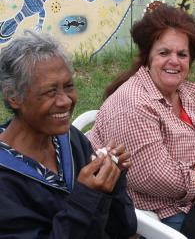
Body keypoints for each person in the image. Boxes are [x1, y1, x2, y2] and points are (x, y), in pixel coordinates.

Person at [88, 4, 195, 239]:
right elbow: (155, 176)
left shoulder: (190, 93)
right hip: (167, 209)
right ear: (147, 56)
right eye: (164, 53)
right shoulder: (133, 103)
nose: (174, 61)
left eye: (182, 54)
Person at [0, 30, 137, 239]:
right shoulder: (6, 178)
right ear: (13, 97)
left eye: (69, 86)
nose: (65, 100)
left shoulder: (71, 141)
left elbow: (122, 229)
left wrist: (113, 180)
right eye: (50, 91)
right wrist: (87, 198)